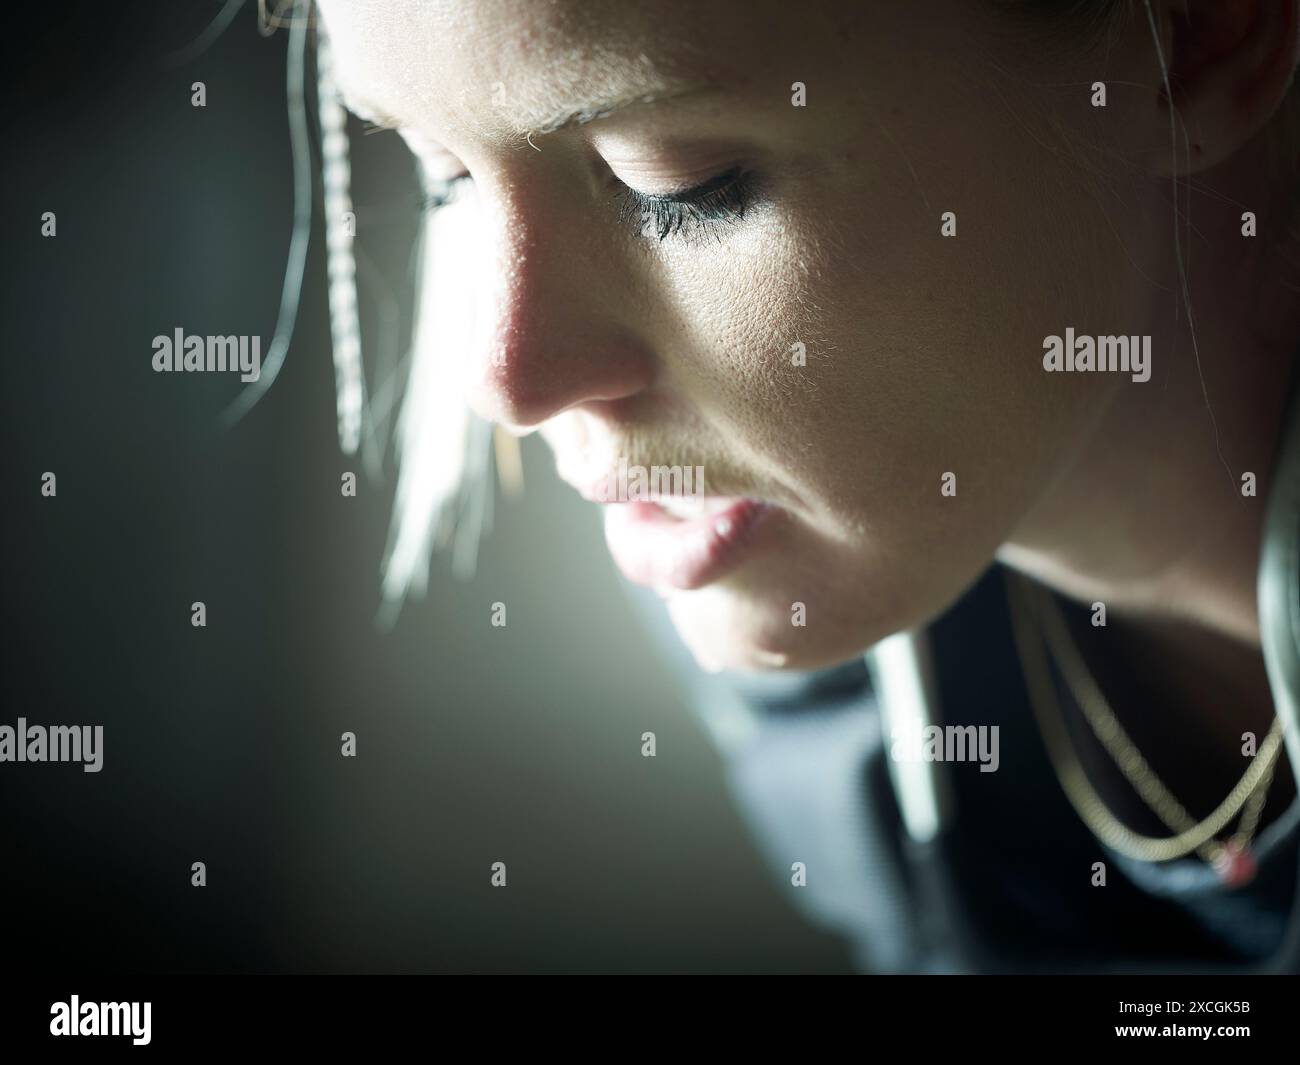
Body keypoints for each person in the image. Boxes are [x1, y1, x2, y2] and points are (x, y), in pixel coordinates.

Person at [308, 0, 1300, 972]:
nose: (511, 382)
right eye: (446, 176)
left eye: (681, 183)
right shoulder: (795, 621)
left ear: (1200, 38)